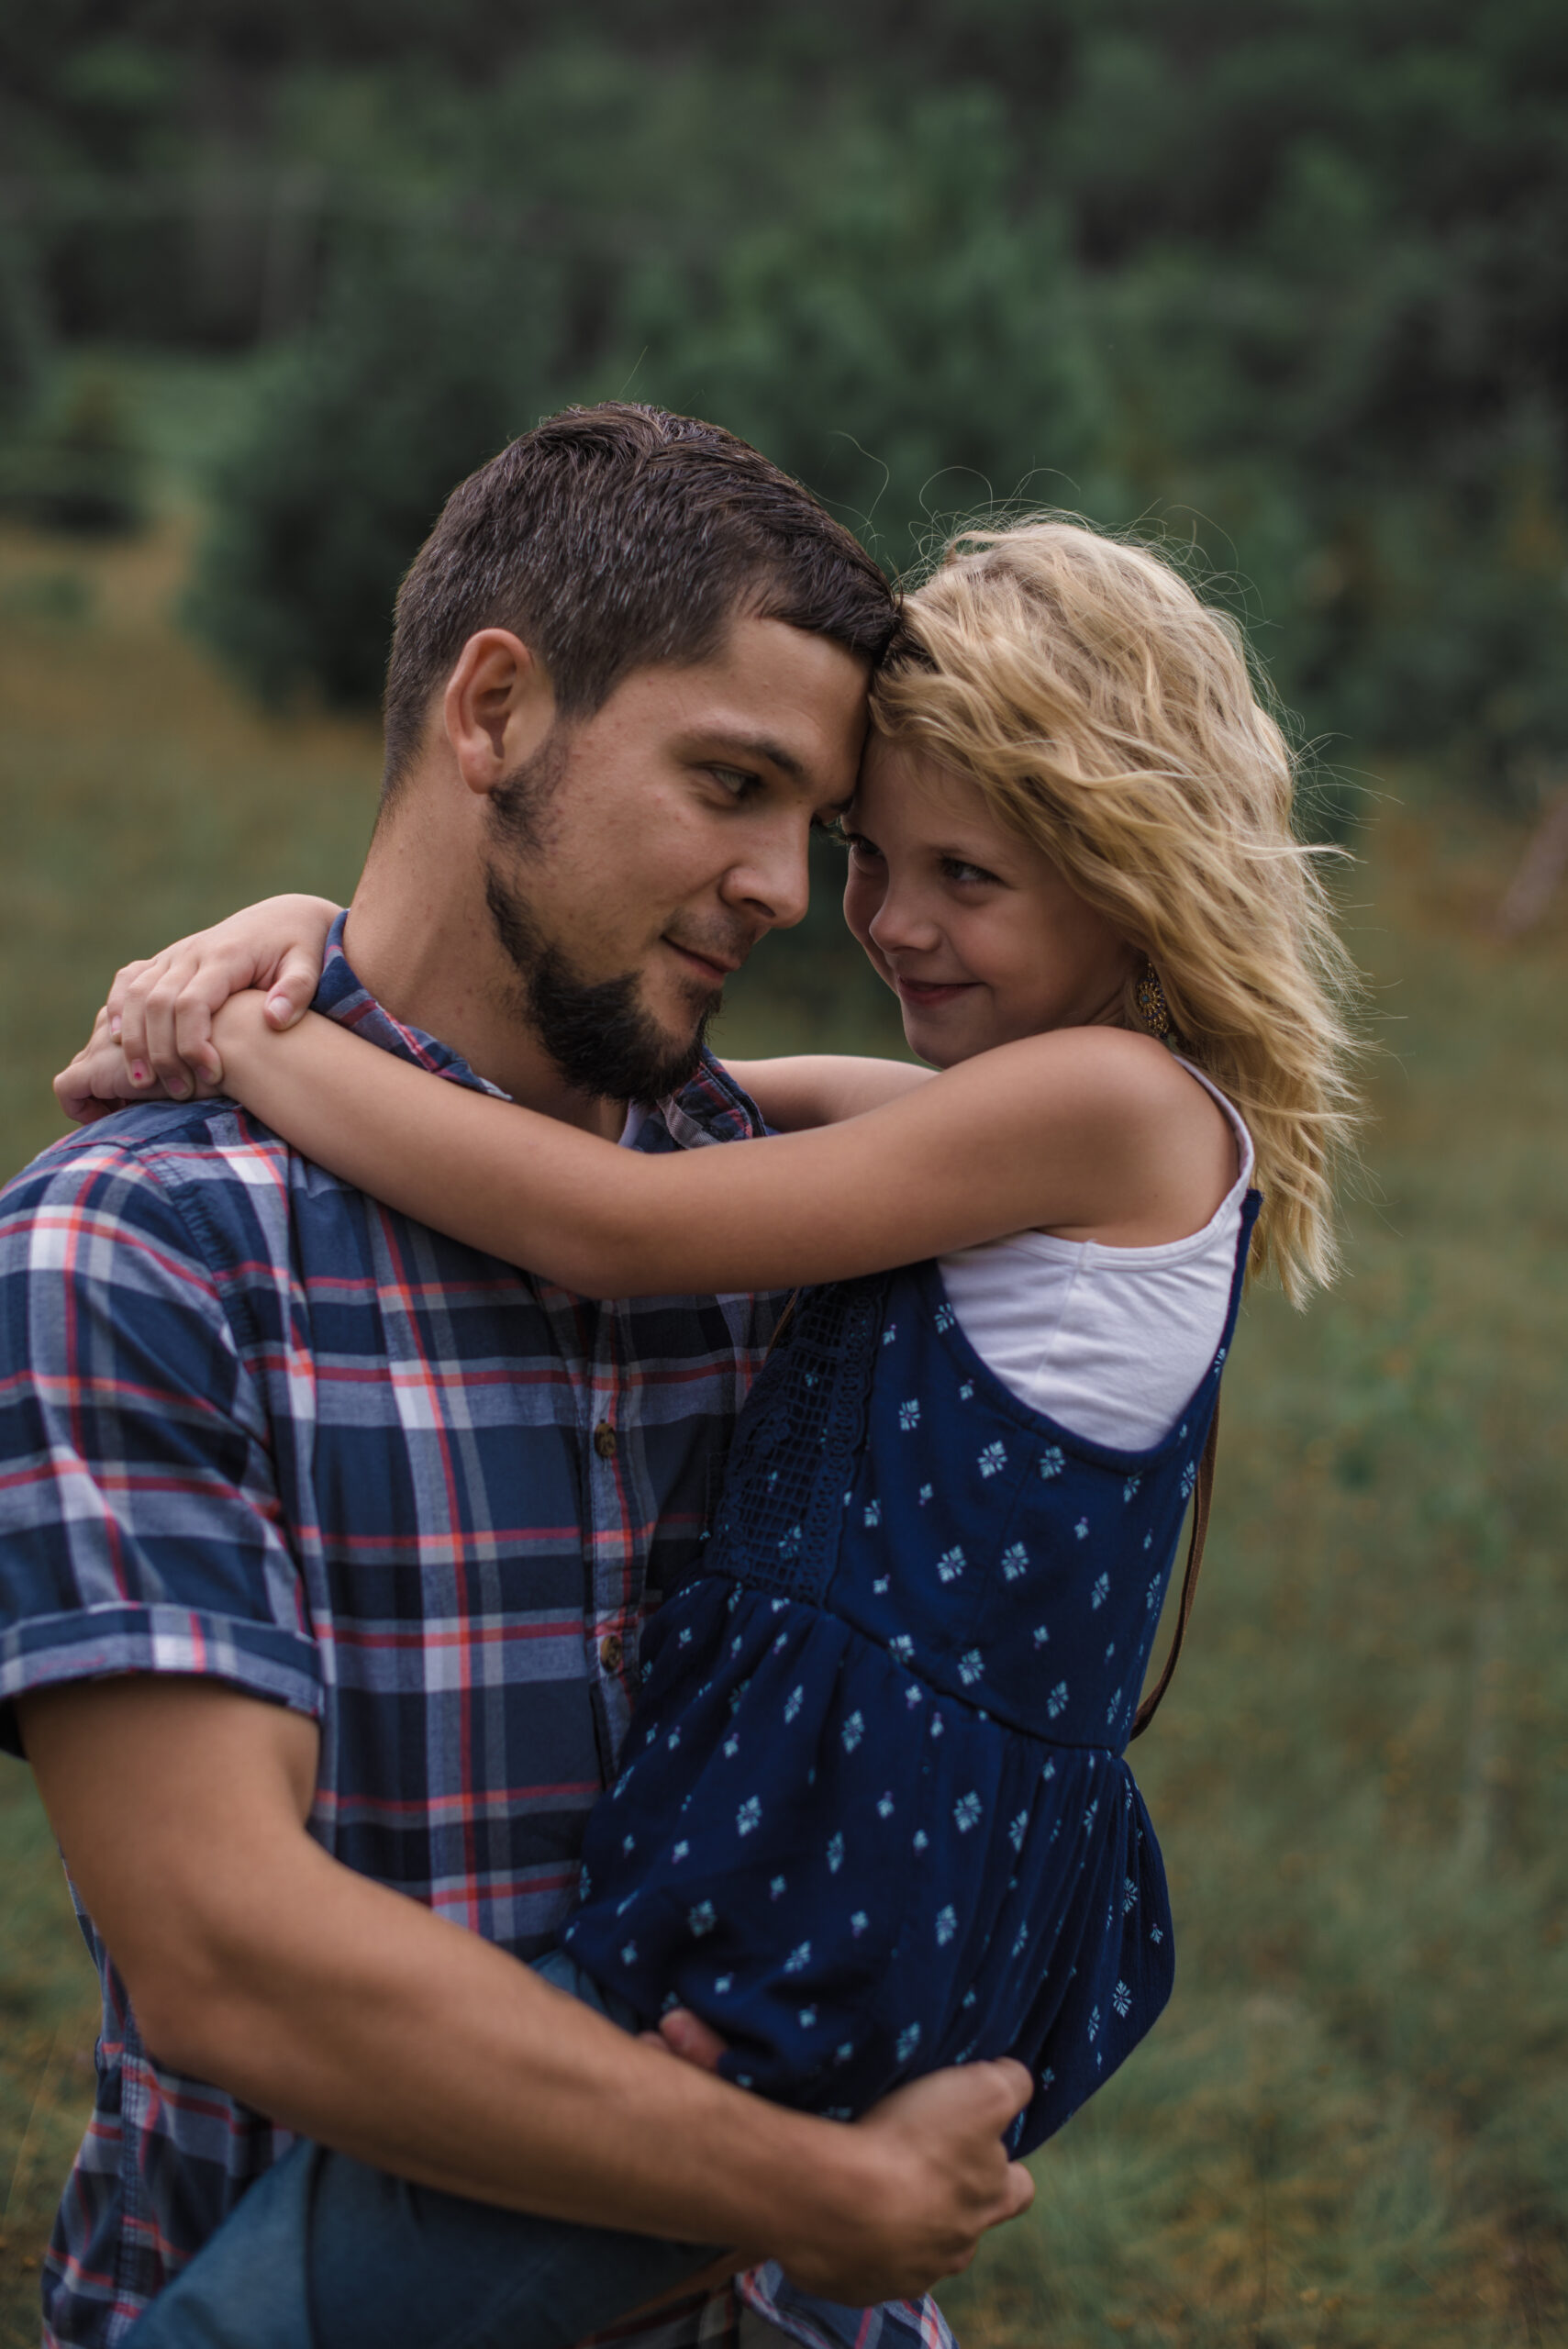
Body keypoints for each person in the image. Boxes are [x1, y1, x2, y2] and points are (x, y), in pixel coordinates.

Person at [56, 517, 1362, 2349]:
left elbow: (615, 1218)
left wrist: (261, 1045)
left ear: (1134, 868)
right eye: (870, 859)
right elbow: (646, 1101)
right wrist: (308, 944)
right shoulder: (996, 1121)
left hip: (819, 1902)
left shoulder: (1111, 1106)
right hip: (794, 1880)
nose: (887, 920)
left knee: (284, 2316)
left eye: (965, 873)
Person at [3, 403, 1040, 2349]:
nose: (780, 891)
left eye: (810, 827)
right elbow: (233, 1958)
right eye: (726, 782)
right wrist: (820, 2190)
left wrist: (296, 943)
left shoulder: (798, 1232)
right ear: (491, 710)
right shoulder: (140, 1246)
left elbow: (1166, 1152)